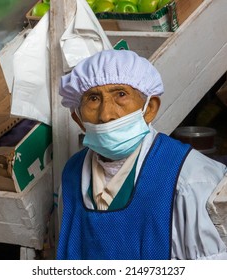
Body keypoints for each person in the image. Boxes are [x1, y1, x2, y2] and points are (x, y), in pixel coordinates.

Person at [56, 49, 227, 260]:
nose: (106, 114)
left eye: (121, 94)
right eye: (93, 98)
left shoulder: (192, 178)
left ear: (150, 109)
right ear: (78, 118)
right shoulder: (72, 174)